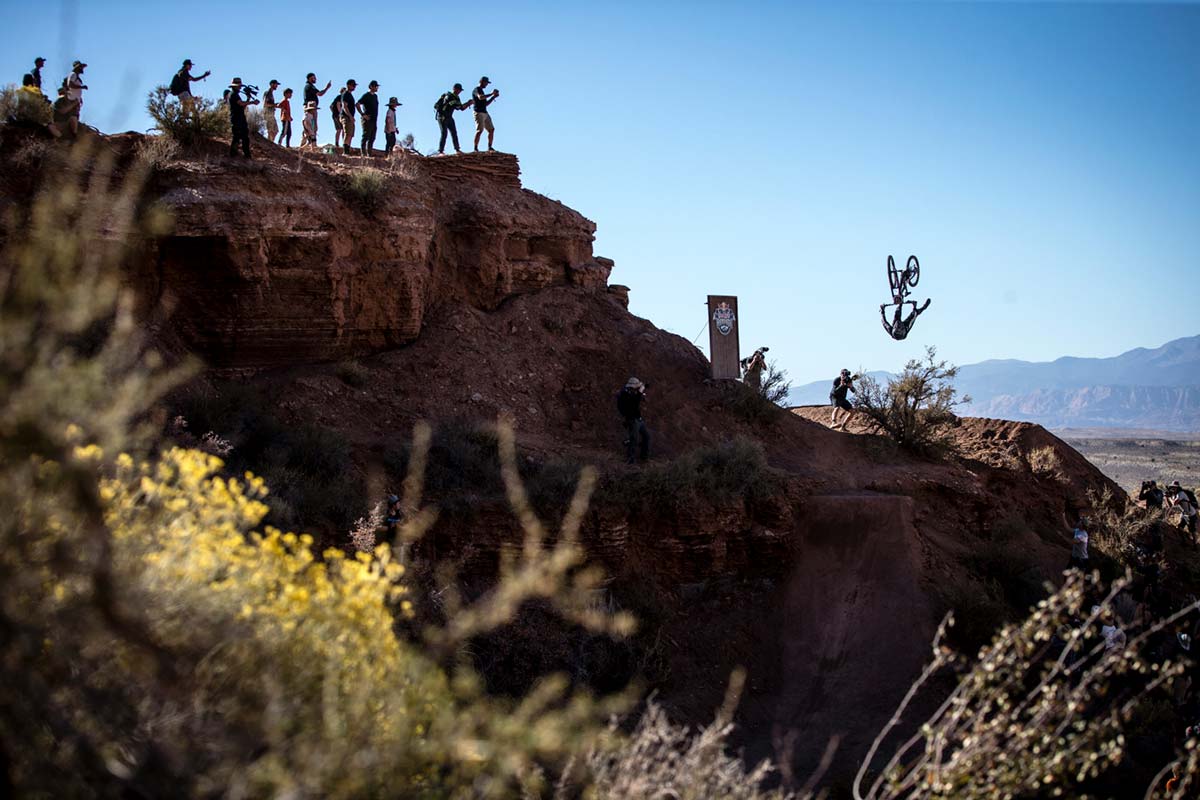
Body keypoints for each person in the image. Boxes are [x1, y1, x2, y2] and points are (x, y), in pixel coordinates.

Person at [617, 377, 650, 465]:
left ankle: (644, 457)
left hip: (638, 419)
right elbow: (633, 403)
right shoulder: (625, 394)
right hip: (632, 419)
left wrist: (642, 392)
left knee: (646, 437)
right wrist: (640, 393)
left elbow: (639, 399)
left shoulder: (632, 393)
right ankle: (630, 460)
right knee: (634, 440)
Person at [226, 77, 259, 158]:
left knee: (244, 137)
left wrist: (248, 98)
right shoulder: (233, 94)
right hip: (236, 118)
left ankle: (246, 155)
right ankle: (233, 155)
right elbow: (240, 103)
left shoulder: (235, 94)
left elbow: (242, 106)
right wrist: (252, 102)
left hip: (240, 118)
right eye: (238, 85)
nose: (240, 87)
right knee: (237, 137)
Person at [433, 83, 470, 155]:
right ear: (454, 89)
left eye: (460, 90)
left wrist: (468, 103)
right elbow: (458, 107)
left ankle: (457, 150)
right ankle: (440, 151)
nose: (459, 91)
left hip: (449, 117)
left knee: (454, 133)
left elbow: (461, 108)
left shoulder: (457, 98)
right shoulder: (449, 96)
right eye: (458, 90)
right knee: (444, 133)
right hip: (442, 116)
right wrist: (468, 103)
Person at [471, 75, 499, 152]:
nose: (486, 84)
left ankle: (490, 147)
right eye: (486, 83)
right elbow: (480, 97)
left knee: (491, 129)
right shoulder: (476, 89)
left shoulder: (482, 91)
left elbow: (485, 103)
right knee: (479, 130)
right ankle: (475, 148)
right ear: (481, 82)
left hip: (484, 112)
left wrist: (493, 97)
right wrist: (492, 94)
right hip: (478, 112)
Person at [302, 73, 333, 141]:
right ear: (310, 78)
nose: (315, 79)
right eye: (314, 78)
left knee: (311, 126)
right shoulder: (309, 86)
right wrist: (327, 87)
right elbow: (320, 94)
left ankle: (311, 143)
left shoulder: (310, 86)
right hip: (310, 108)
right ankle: (309, 142)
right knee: (310, 126)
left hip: (312, 107)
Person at [356, 80, 380, 157]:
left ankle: (369, 153)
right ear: (371, 87)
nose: (377, 88)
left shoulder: (375, 96)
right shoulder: (366, 95)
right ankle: (363, 152)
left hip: (374, 120)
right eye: (375, 86)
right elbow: (357, 104)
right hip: (367, 119)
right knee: (366, 135)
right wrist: (363, 114)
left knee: (372, 137)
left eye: (377, 86)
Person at [63, 60, 88, 136]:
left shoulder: (75, 76)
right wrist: (81, 87)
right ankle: (72, 134)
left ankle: (73, 132)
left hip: (75, 100)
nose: (82, 69)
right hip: (72, 100)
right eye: (81, 67)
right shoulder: (73, 75)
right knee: (73, 116)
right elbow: (70, 85)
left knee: (75, 116)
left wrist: (79, 98)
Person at [338, 80, 358, 155]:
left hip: (350, 117)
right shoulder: (345, 94)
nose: (354, 87)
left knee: (350, 134)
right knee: (347, 133)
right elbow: (344, 106)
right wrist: (350, 116)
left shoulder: (350, 95)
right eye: (353, 85)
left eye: (355, 85)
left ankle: (347, 149)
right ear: (348, 85)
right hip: (346, 117)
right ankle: (345, 151)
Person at [262, 79, 280, 143]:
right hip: (268, 113)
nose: (277, 86)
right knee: (271, 130)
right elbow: (265, 104)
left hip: (271, 113)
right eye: (276, 84)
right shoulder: (267, 93)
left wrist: (276, 106)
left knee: (275, 130)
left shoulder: (271, 94)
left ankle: (270, 142)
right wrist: (273, 105)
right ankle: (269, 142)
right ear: (272, 84)